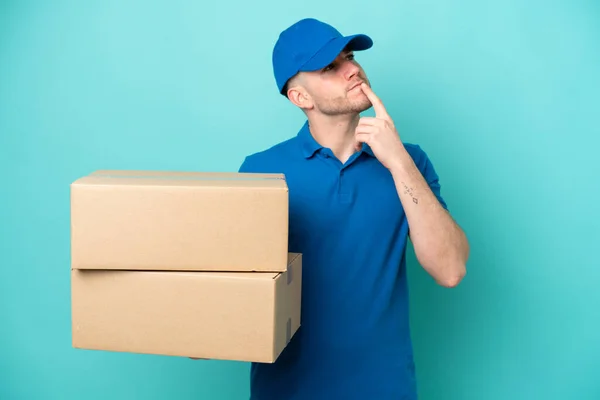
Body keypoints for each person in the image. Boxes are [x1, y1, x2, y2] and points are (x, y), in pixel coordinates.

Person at [238, 18, 470, 399]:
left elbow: (451, 270)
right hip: (287, 390)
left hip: (384, 389)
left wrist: (398, 164)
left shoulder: (411, 162)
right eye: (331, 67)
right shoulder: (261, 171)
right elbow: (233, 289)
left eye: (349, 56)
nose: (353, 69)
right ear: (301, 99)